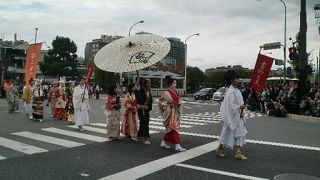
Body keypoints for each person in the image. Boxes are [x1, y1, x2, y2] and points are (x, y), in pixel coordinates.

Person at [215, 70, 248, 160]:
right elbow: (231, 105)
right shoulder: (231, 91)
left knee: (239, 132)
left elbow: (235, 104)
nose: (238, 80)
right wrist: (240, 106)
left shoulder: (236, 90)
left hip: (237, 115)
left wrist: (241, 108)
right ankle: (221, 148)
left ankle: (237, 151)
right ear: (231, 80)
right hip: (233, 116)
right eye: (236, 78)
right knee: (228, 132)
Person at [159, 76, 186, 152]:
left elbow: (178, 101)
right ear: (170, 84)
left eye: (176, 83)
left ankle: (163, 142)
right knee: (174, 128)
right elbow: (161, 102)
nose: (175, 84)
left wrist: (177, 103)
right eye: (174, 83)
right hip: (170, 112)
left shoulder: (175, 92)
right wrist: (169, 104)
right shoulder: (166, 92)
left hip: (175, 112)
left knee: (170, 129)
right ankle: (177, 145)